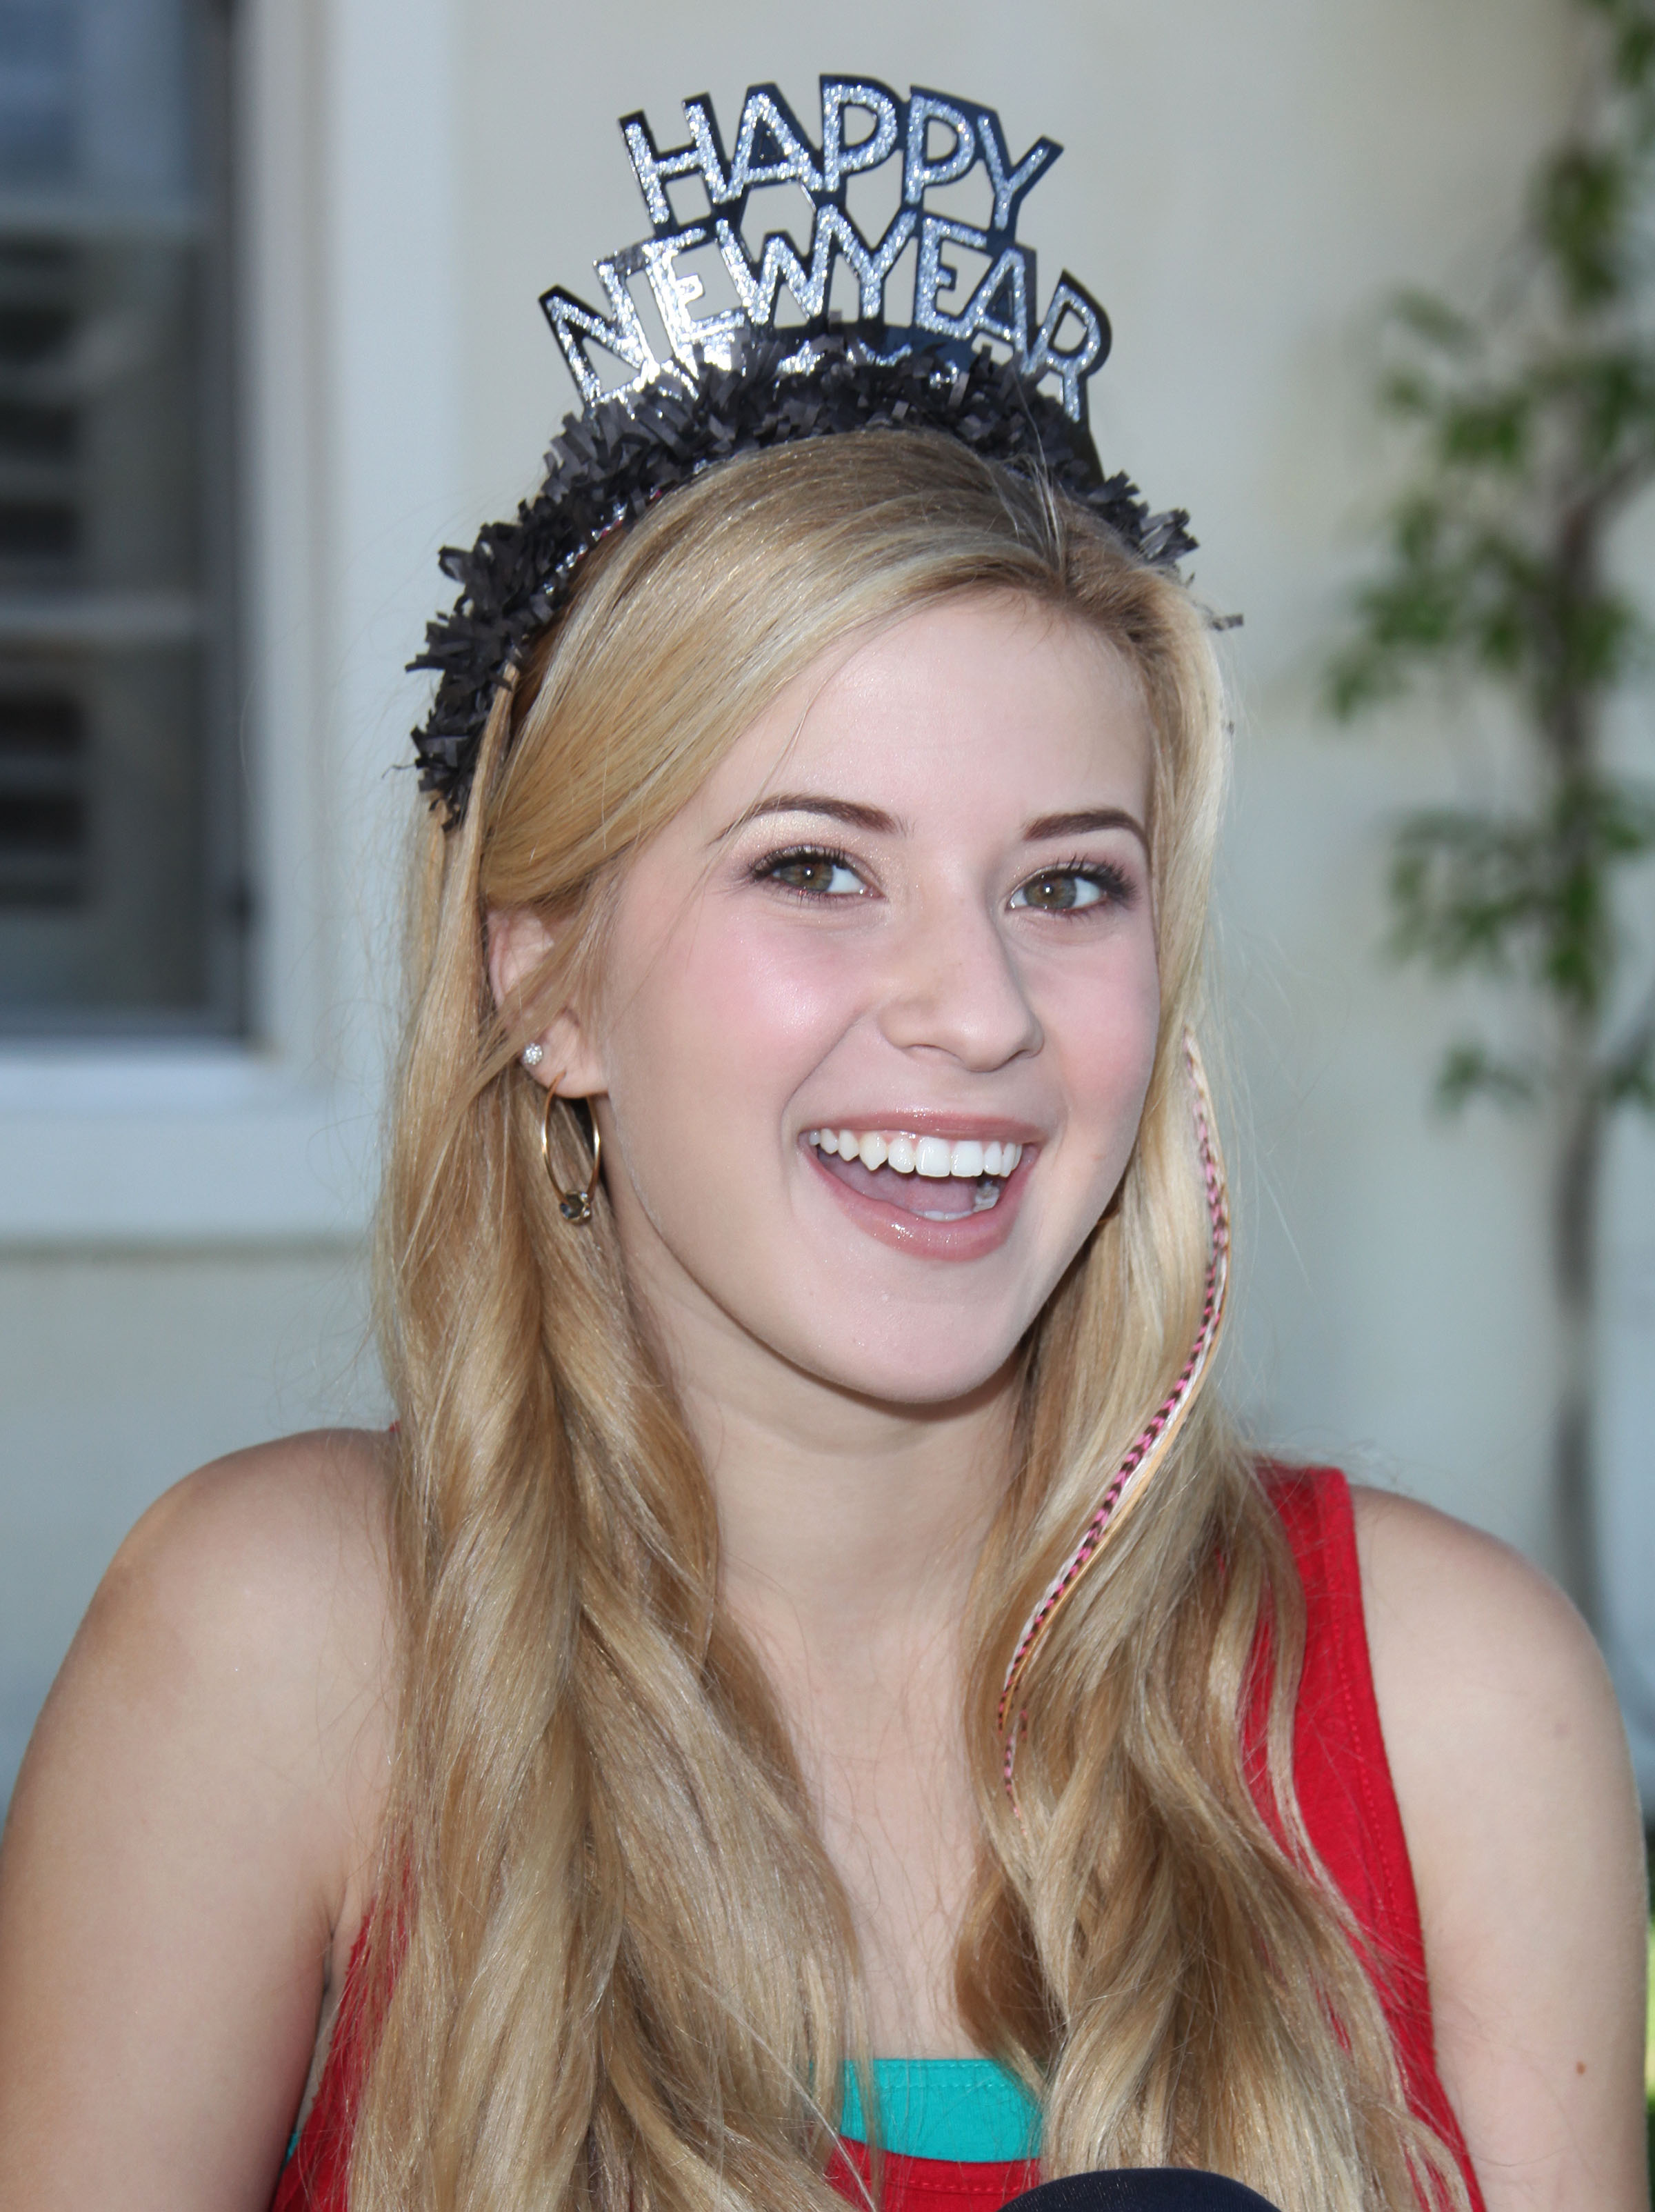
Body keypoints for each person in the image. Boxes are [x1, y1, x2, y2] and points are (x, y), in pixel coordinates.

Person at [0, 78, 1646, 2212]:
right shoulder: (283, 1653)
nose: (978, 1008)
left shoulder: (1450, 1704)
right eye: (814, 866)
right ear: (543, 975)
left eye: (1070, 883)